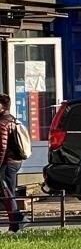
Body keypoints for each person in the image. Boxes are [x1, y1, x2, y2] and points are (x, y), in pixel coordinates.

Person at [0, 94, 26, 233]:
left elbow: (2, 147)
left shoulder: (2, 122)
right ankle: (17, 222)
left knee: (7, 192)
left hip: (7, 163)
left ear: (2, 106)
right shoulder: (12, 119)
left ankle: (17, 222)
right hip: (15, 161)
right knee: (8, 192)